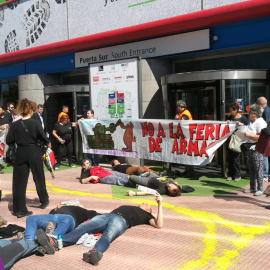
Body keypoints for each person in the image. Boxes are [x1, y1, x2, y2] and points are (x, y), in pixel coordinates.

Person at [36, 194, 163, 265]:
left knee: (107, 236)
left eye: (147, 204)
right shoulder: (132, 206)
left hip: (121, 221)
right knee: (83, 227)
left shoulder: (147, 215)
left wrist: (160, 204)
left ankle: (94, 253)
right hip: (106, 216)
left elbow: (159, 224)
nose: (145, 203)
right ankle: (56, 243)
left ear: (148, 210)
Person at [0, 205, 100, 269]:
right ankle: (31, 240)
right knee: (31, 218)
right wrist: (57, 207)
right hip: (53, 218)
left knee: (66, 219)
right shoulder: (61, 207)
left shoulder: (86, 211)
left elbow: (99, 217)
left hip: (68, 219)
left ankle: (48, 238)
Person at [6, 98, 50, 218]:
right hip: (34, 151)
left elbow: (9, 140)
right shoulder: (35, 123)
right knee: (38, 177)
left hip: (20, 152)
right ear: (30, 110)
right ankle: (44, 200)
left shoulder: (14, 125)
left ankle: (20, 210)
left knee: (19, 182)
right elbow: (44, 138)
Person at [238, 103, 267, 196]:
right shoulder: (252, 122)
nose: (248, 114)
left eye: (249, 112)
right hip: (249, 146)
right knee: (251, 168)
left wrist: (248, 135)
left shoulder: (261, 122)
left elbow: (260, 137)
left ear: (254, 113)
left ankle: (260, 188)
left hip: (257, 148)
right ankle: (252, 187)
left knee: (258, 168)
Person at [226, 103, 249, 181]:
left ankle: (237, 175)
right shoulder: (230, 117)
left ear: (236, 110)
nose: (230, 112)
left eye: (231, 111)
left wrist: (242, 124)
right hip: (230, 139)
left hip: (238, 140)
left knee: (236, 157)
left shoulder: (243, 118)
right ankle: (230, 174)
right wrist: (227, 122)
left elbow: (248, 128)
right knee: (230, 157)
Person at [174, 100, 194, 177]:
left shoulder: (185, 114)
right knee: (186, 154)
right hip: (185, 136)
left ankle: (190, 171)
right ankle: (188, 170)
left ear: (180, 106)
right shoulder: (182, 113)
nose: (177, 108)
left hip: (187, 136)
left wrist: (176, 119)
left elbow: (182, 123)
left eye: (177, 106)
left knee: (187, 154)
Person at [257, 96, 270, 181]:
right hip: (265, 136)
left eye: (257, 103)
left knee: (264, 155)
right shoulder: (266, 110)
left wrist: (262, 130)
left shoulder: (266, 111)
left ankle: (265, 174)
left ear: (261, 103)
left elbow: (267, 126)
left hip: (266, 137)